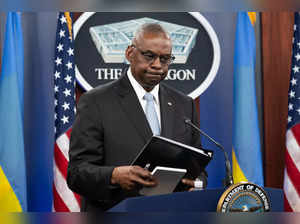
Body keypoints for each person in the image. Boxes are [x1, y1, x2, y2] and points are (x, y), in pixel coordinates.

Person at [67, 23, 204, 212]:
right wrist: (114, 175)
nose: (157, 65)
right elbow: (77, 173)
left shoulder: (184, 104)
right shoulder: (96, 101)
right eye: (149, 56)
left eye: (165, 59)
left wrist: (196, 185)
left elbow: (198, 169)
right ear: (130, 53)